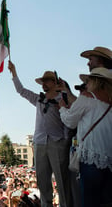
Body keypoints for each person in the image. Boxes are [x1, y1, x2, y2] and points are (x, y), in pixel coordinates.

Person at [8, 61, 72, 207]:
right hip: (40, 143)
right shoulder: (39, 99)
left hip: (57, 142)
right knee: (43, 182)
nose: (43, 84)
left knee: (62, 182)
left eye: (47, 81)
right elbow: (21, 90)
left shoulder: (63, 99)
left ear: (55, 83)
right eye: (42, 82)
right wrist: (14, 73)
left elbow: (68, 122)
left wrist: (65, 140)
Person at [59, 67, 112, 207]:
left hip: (91, 158)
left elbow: (70, 121)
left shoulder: (88, 97)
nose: (86, 84)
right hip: (109, 159)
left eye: (87, 81)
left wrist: (62, 108)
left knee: (89, 201)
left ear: (95, 81)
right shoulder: (109, 101)